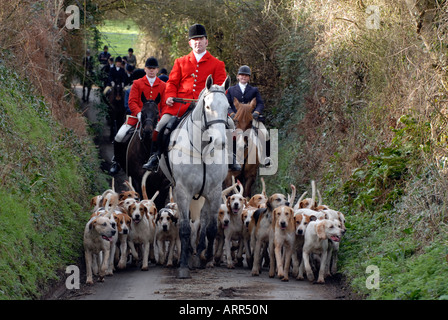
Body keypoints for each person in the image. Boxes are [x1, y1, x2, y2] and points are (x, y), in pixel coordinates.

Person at [142, 23, 240, 171]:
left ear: (206, 41)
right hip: (180, 104)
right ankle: (155, 156)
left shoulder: (217, 64)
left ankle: (231, 156)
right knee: (161, 125)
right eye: (194, 39)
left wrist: (212, 100)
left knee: (231, 125)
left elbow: (221, 87)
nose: (198, 42)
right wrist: (169, 96)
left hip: (208, 107)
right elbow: (172, 83)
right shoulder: (180, 62)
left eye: (201, 39)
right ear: (190, 43)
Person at [109, 57, 166, 174]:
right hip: (136, 118)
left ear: (157, 70)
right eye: (149, 68)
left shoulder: (163, 85)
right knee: (119, 136)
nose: (151, 70)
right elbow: (132, 101)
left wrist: (160, 118)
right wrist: (139, 113)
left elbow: (164, 105)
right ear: (145, 69)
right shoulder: (137, 83)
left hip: (157, 121)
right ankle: (117, 162)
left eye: (153, 68)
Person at [226, 65, 271, 167]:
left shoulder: (254, 90)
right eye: (241, 75)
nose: (243, 77)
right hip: (235, 118)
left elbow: (260, 103)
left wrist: (256, 113)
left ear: (249, 78)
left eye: (246, 76)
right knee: (226, 133)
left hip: (250, 118)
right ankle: (229, 157)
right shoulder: (231, 90)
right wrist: (232, 114)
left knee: (265, 133)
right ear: (237, 76)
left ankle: (266, 157)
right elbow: (227, 104)